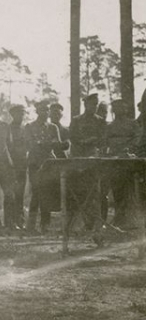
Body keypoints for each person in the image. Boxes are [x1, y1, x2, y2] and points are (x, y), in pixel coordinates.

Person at [70, 93, 107, 230]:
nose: (95, 106)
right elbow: (72, 138)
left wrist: (93, 142)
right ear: (85, 104)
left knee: (96, 191)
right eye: (92, 104)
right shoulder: (76, 120)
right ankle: (82, 222)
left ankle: (97, 222)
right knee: (80, 191)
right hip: (79, 160)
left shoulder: (100, 121)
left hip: (94, 159)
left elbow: (103, 139)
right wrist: (83, 142)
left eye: (96, 104)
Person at [24, 101, 62, 233]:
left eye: (46, 110)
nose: (45, 113)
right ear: (37, 112)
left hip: (49, 163)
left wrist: (45, 144)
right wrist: (48, 143)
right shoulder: (29, 127)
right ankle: (31, 225)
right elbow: (31, 145)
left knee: (48, 193)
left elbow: (57, 144)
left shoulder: (53, 127)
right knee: (36, 192)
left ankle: (45, 224)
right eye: (42, 110)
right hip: (35, 163)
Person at [105, 98, 140, 227]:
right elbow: (105, 142)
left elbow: (137, 138)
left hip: (129, 161)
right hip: (115, 161)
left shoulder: (133, 124)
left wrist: (129, 148)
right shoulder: (110, 126)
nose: (118, 111)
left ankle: (132, 220)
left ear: (125, 110)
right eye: (116, 108)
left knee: (129, 189)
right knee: (117, 189)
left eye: (121, 108)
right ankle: (119, 219)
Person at [8, 105, 28, 230]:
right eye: (18, 114)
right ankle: (11, 221)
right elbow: (8, 146)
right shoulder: (8, 128)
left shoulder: (25, 128)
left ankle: (20, 220)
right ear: (12, 115)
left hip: (22, 163)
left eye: (22, 114)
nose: (20, 116)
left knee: (20, 193)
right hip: (11, 164)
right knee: (12, 193)